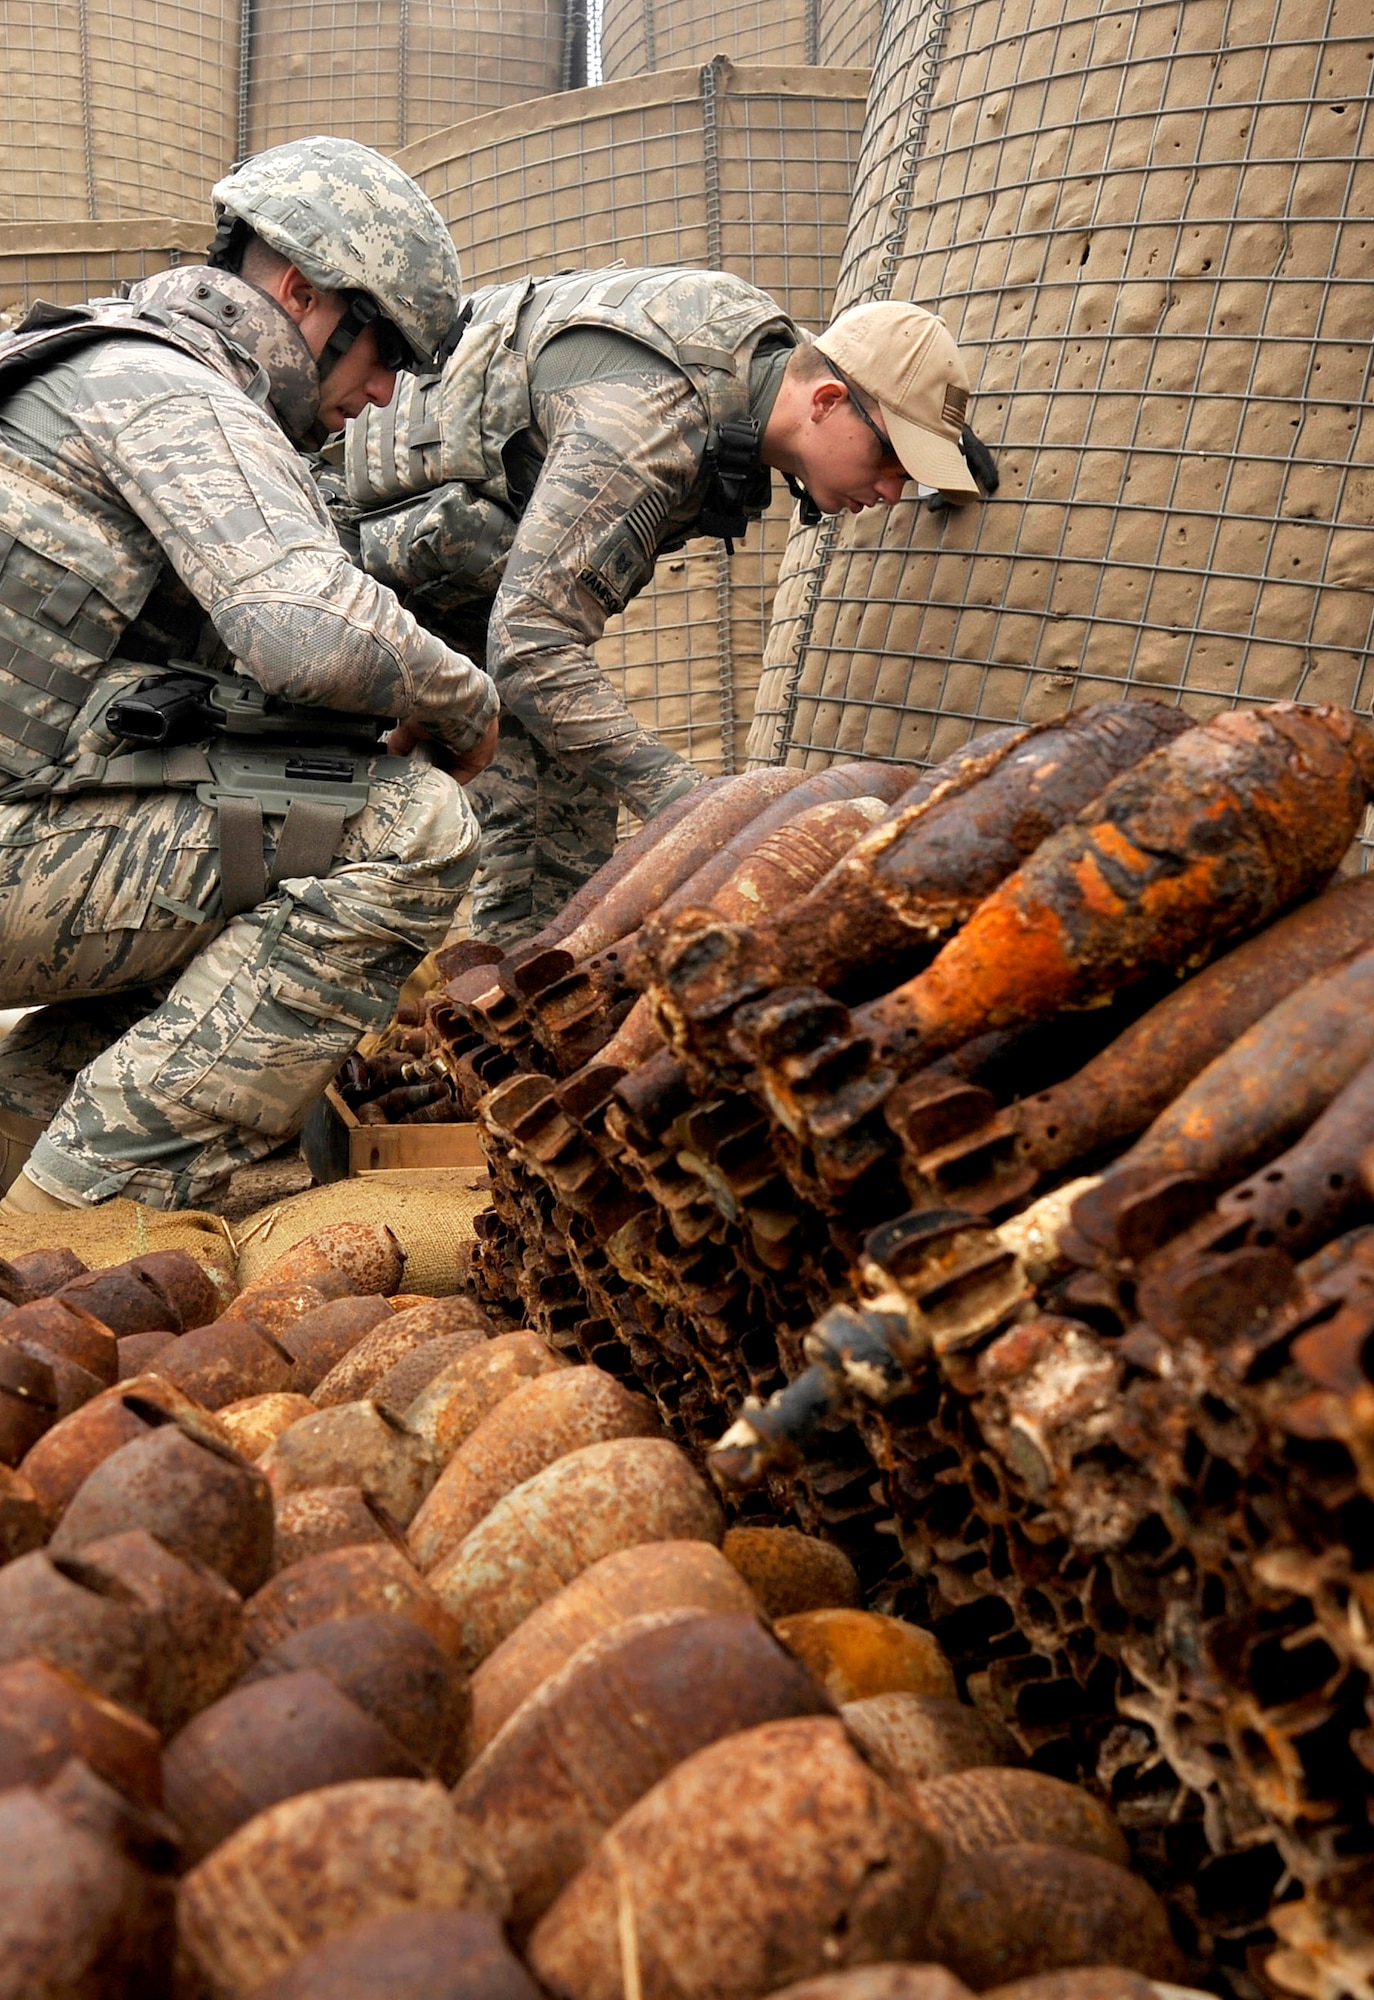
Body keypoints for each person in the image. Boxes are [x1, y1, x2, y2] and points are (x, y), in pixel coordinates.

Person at [0, 134, 500, 1214]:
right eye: (383, 359)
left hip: (20, 822)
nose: (378, 398)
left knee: (257, 842)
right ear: (305, 292)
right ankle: (90, 1218)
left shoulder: (69, 356)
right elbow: (303, 631)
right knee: (401, 826)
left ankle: (19, 1148)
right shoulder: (174, 393)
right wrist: (462, 697)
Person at [346, 276, 991, 944]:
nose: (892, 489)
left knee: (561, 826)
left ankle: (518, 993)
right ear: (826, 402)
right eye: (891, 458)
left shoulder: (762, 356)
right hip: (350, 577)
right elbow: (531, 642)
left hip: (466, 580)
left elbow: (856, 370)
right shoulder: (650, 427)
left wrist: (938, 458)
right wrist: (691, 804)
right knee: (384, 840)